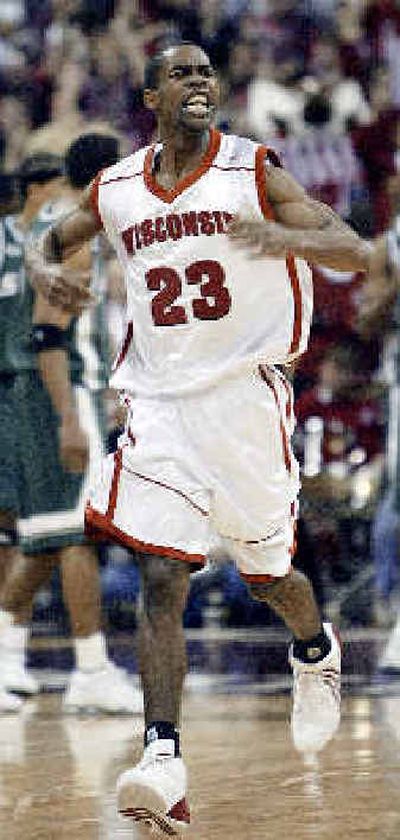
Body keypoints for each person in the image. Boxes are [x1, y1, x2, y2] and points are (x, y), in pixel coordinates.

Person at [31, 43, 371, 836]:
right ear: (150, 94)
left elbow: (349, 249)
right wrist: (54, 271)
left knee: (268, 575)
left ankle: (316, 649)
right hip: (159, 405)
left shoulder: (251, 170)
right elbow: (55, 240)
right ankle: (162, 760)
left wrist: (285, 239)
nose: (201, 83)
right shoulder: (116, 188)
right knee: (161, 574)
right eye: (183, 73)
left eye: (208, 73)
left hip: (247, 404)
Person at [0, 137, 142, 714]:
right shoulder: (74, 230)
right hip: (56, 393)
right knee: (76, 532)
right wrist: (68, 417)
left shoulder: (57, 224)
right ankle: (90, 668)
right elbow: (47, 333)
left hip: (44, 394)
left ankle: (7, 657)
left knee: (43, 539)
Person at [0, 153, 65, 712]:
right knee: (38, 527)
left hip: (24, 387)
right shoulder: (50, 235)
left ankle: (11, 654)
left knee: (24, 527)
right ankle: (8, 653)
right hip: (28, 387)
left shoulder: (40, 236)